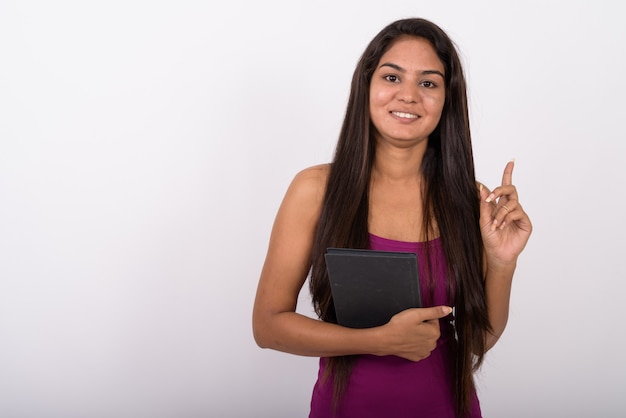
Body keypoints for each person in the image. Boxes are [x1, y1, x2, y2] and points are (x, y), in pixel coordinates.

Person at [252, 17, 532, 418]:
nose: (409, 96)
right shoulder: (314, 190)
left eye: (428, 83)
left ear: (447, 100)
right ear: (366, 86)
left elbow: (477, 341)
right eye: (392, 77)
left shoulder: (471, 199)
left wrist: (504, 263)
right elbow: (268, 326)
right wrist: (379, 340)